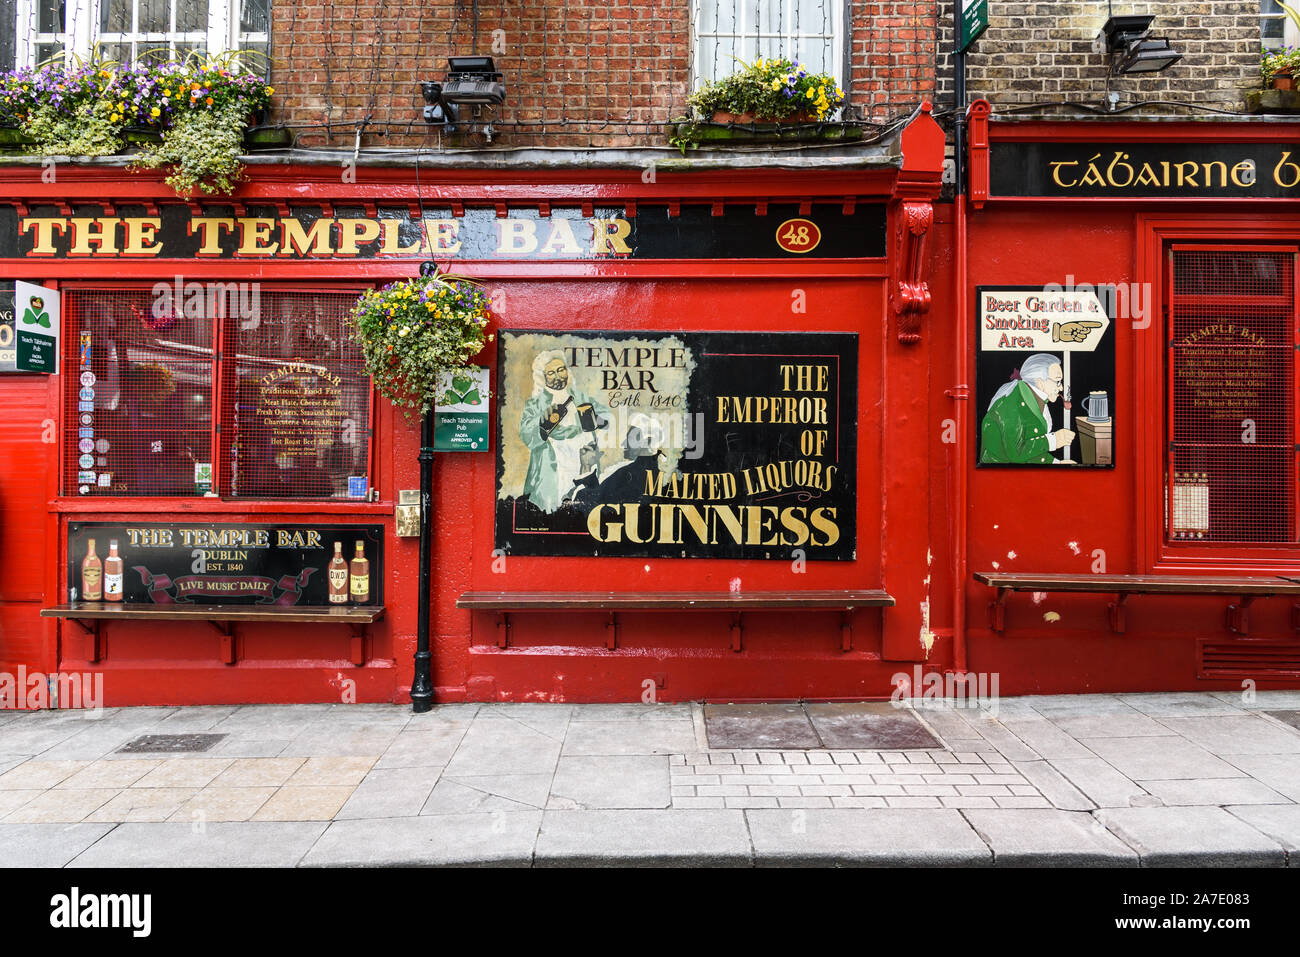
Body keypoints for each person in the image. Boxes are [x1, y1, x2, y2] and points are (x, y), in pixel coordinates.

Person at [519, 351, 610, 513]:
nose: (558, 376)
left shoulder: (580, 397)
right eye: (551, 373)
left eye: (561, 370)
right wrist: (543, 423)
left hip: (583, 461)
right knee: (555, 511)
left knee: (583, 507)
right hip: (554, 466)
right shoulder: (535, 404)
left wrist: (595, 418)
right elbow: (527, 436)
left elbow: (606, 417)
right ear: (543, 377)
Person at [980, 353, 1074, 465]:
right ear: (1040, 382)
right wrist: (1052, 441)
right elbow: (1017, 453)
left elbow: (1031, 451)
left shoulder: (1035, 399)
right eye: (1058, 381)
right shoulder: (1011, 404)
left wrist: (1056, 463)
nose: (1061, 387)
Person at [574, 415, 665, 505]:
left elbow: (589, 503)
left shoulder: (628, 474)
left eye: (629, 438)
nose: (623, 443)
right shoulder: (657, 475)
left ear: (647, 442)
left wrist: (586, 466)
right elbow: (602, 497)